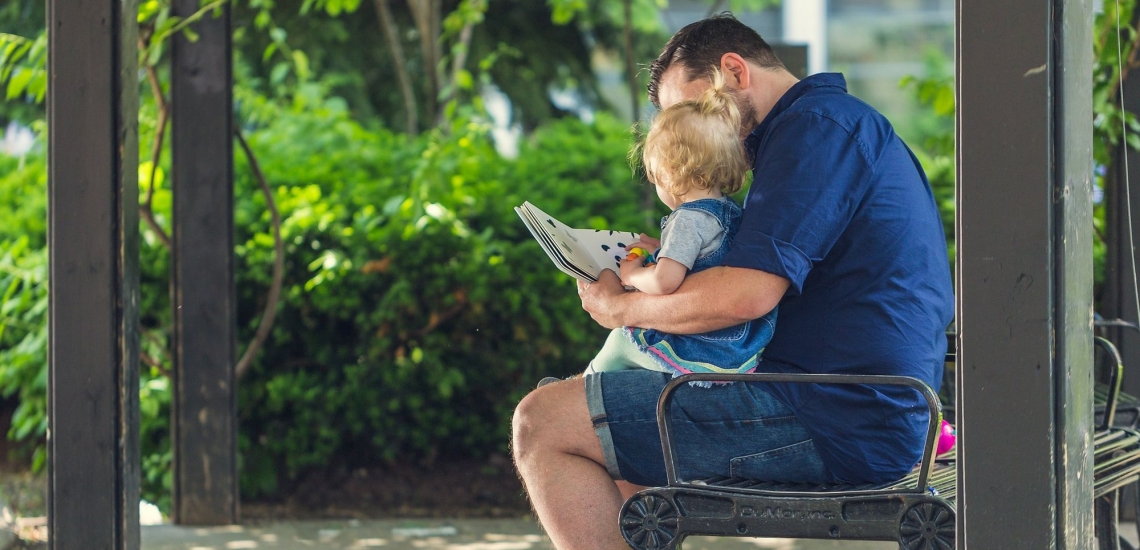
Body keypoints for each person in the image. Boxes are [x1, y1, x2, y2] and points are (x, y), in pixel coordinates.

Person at [511, 13, 954, 550]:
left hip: (836, 416)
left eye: (693, 111)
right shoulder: (824, 128)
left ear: (735, 72)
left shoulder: (814, 130)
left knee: (543, 422)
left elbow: (745, 295)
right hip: (847, 404)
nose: (690, 135)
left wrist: (620, 310)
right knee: (606, 427)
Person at [583, 68, 776, 380]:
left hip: (704, 350)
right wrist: (663, 249)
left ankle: (581, 386)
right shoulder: (729, 212)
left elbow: (664, 282)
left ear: (670, 172)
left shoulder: (687, 220)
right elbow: (703, 261)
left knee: (623, 338)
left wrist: (633, 272)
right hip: (739, 347)